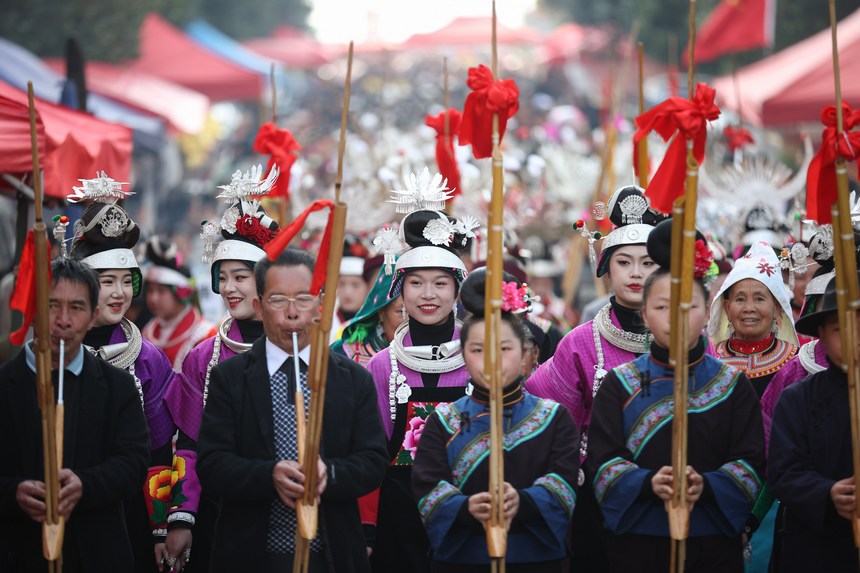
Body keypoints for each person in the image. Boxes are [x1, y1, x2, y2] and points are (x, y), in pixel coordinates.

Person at [587, 219, 765, 573]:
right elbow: (603, 465)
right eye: (662, 307)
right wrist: (647, 482)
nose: (676, 318)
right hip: (639, 544)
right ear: (645, 314)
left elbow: (750, 465)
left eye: (688, 306)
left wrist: (709, 485)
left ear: (707, 311)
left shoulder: (732, 386)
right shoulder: (619, 384)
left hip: (712, 543)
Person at [196, 248, 388, 572]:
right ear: (258, 306)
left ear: (322, 303)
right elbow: (212, 464)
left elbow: (373, 460)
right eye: (277, 300)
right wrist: (268, 475)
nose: (292, 313)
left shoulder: (353, 378)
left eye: (303, 298)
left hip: (333, 556)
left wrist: (330, 473)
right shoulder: (230, 378)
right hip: (251, 555)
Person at [526, 186, 662, 571]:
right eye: (624, 262)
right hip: (596, 501)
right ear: (605, 268)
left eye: (649, 262)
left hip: (674, 491)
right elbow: (549, 422)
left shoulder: (688, 338)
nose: (636, 273)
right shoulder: (579, 343)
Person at [412, 268, 580, 572]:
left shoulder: (554, 418)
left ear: (526, 354)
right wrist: (464, 508)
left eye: (504, 349)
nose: (491, 360)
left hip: (536, 558)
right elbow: (427, 489)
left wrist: (525, 502)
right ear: (463, 355)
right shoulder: (443, 420)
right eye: (478, 350)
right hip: (463, 559)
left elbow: (565, 485)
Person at [66, 178, 185, 573]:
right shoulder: (57, 353)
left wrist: (157, 529)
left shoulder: (148, 359)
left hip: (130, 510)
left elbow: (158, 451)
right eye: (105, 283)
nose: (118, 293)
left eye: (124, 282)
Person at [0, 257, 150, 572]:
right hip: (17, 551)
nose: (63, 320)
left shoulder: (118, 387)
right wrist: (13, 492)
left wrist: (86, 484)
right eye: (52, 305)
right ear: (32, 309)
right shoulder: (5, 385)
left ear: (94, 315)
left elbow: (134, 463)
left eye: (77, 308)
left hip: (97, 553)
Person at [165, 166, 281, 572]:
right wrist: (182, 516)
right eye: (224, 277)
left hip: (286, 504)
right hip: (218, 510)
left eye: (241, 277)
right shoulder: (203, 357)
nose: (230, 288)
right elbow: (190, 447)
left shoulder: (297, 352)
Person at [366, 206, 475, 572]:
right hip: (399, 516)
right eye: (416, 283)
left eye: (440, 283)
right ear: (399, 290)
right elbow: (371, 452)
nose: (428, 294)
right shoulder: (383, 365)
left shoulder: (479, 357)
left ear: (457, 289)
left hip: (469, 507)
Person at [768, 273, 860, 572]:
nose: (854, 338)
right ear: (821, 332)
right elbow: (782, 472)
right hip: (815, 548)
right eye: (840, 328)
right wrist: (828, 493)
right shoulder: (798, 398)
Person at [142, 236, 215, 370]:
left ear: (181, 293)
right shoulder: (148, 331)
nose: (153, 298)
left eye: (161, 291)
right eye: (150, 290)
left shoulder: (205, 335)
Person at [331, 253, 404, 368]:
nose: (410, 321)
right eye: (402, 312)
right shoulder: (343, 354)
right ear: (381, 312)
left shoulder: (436, 352)